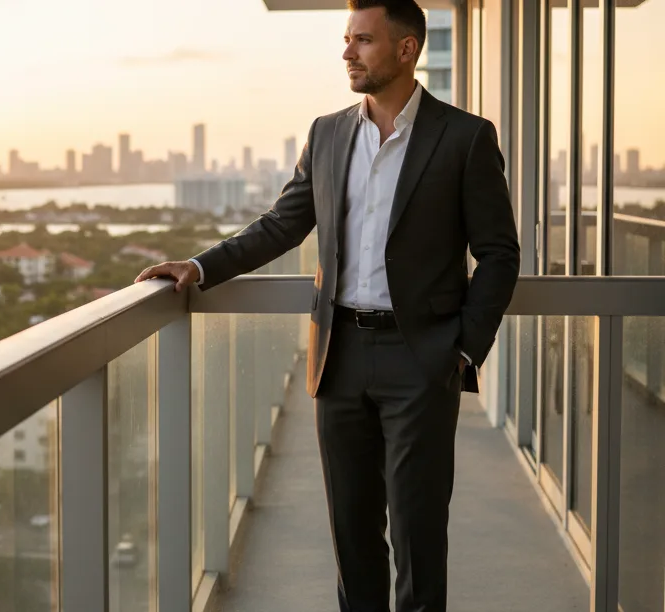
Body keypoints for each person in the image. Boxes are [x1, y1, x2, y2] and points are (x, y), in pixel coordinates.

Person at [133, 1, 521, 610]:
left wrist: (464, 349)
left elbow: (498, 254)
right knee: (352, 538)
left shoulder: (465, 137)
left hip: (421, 362)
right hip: (337, 358)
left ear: (406, 49)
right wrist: (201, 266)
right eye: (346, 39)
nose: (347, 53)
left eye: (363, 41)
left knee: (419, 539)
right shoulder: (328, 132)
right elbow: (280, 225)